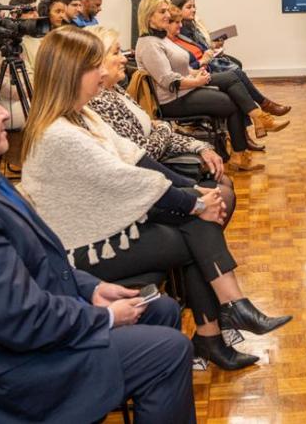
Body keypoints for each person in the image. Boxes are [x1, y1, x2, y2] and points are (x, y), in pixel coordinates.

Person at [0, 59, 197, 423]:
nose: (5, 113)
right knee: (168, 351)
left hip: (28, 334)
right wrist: (102, 318)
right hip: (13, 376)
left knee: (162, 309)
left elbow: (35, 263)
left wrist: (91, 289)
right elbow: (20, 320)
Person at [20, 26, 290, 369]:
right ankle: (223, 320)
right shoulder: (60, 133)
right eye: (95, 66)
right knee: (198, 229)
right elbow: (128, 180)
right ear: (71, 73)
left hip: (109, 227)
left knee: (198, 222)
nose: (103, 72)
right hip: (82, 250)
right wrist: (195, 200)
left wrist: (195, 194)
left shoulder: (81, 115)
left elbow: (134, 156)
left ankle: (219, 326)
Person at [85, 25, 233, 206]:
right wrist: (165, 127)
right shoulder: (99, 101)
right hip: (147, 177)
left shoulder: (114, 90)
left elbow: (153, 134)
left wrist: (200, 146)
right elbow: (144, 151)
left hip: (159, 162)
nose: (124, 59)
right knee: (223, 191)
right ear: (97, 60)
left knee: (223, 184)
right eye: (116, 53)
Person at [135, 0, 269, 171]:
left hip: (184, 90)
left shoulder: (160, 38)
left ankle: (255, 126)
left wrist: (195, 72)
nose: (168, 15)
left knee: (232, 78)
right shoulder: (149, 45)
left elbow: (180, 68)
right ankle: (250, 135)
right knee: (231, 101)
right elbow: (170, 82)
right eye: (162, 11)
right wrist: (197, 82)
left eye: (168, 10)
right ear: (148, 15)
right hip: (171, 101)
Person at [167, 0, 291, 118]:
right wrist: (202, 62)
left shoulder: (188, 29)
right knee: (235, 76)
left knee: (236, 73)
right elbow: (182, 69)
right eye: (189, 7)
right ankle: (262, 108)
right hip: (197, 74)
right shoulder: (173, 39)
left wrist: (212, 49)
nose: (193, 10)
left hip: (204, 67)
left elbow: (201, 49)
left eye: (194, 7)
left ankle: (260, 115)